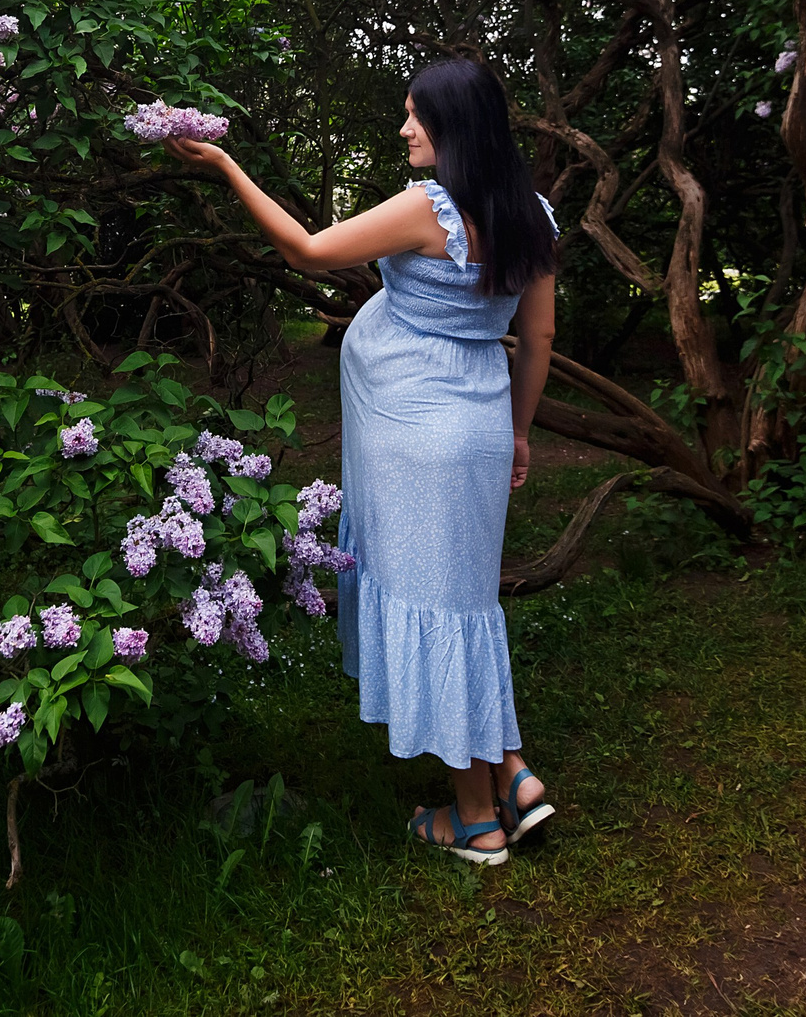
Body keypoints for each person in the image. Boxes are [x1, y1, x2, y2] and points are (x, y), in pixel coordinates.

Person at [162, 56, 560, 866]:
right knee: (466, 603)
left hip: (415, 434)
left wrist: (228, 166)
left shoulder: (429, 209)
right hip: (480, 426)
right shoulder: (535, 215)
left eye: (417, 116)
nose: (406, 128)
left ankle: (476, 819)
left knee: (438, 606)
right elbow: (541, 338)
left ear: (455, 128)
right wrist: (520, 432)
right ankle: (511, 770)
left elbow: (308, 250)